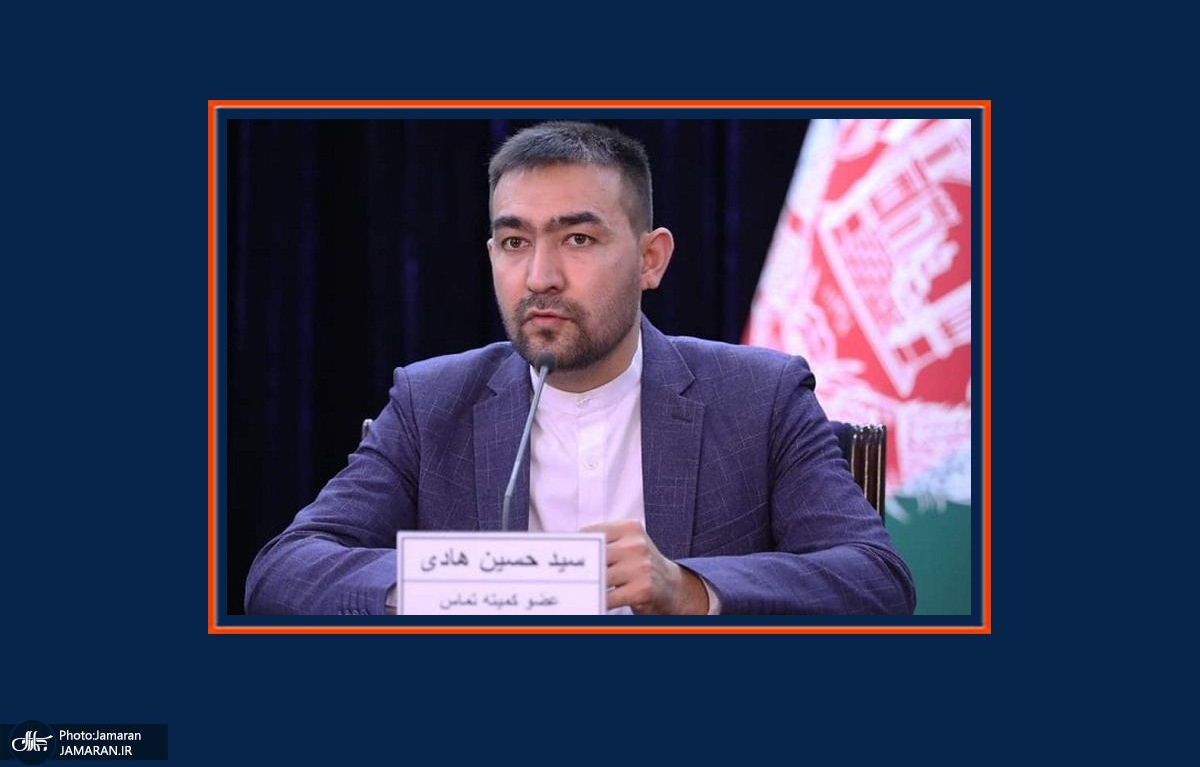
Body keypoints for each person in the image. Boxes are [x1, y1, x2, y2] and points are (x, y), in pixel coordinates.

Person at [244, 121, 916, 616]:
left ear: (651, 260)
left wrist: (689, 589)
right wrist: (451, 583)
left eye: (578, 238)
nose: (540, 276)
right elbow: (283, 572)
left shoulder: (759, 397)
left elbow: (875, 580)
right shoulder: (431, 403)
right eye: (514, 241)